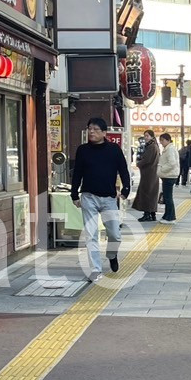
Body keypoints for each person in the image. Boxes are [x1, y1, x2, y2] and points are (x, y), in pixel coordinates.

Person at [69, 117, 131, 280]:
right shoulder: (82, 150)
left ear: (104, 133)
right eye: (89, 128)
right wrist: (74, 194)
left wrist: (126, 189)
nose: (91, 132)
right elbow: (77, 173)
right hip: (88, 197)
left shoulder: (114, 150)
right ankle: (95, 269)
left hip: (109, 198)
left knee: (115, 234)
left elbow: (123, 170)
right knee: (91, 234)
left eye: (96, 129)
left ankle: (112, 255)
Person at [132, 129, 160, 221]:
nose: (146, 138)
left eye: (147, 136)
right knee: (151, 194)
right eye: (145, 136)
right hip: (152, 173)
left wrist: (138, 164)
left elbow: (147, 159)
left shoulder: (151, 147)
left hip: (149, 174)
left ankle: (147, 214)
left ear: (152, 136)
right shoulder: (154, 145)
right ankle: (152, 214)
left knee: (146, 193)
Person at [156, 133, 181, 223]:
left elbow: (172, 163)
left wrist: (162, 169)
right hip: (168, 175)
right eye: (160, 140)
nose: (161, 142)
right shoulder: (168, 149)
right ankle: (167, 215)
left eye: (162, 140)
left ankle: (170, 217)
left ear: (168, 140)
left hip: (169, 175)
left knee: (168, 197)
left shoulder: (170, 149)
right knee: (167, 197)